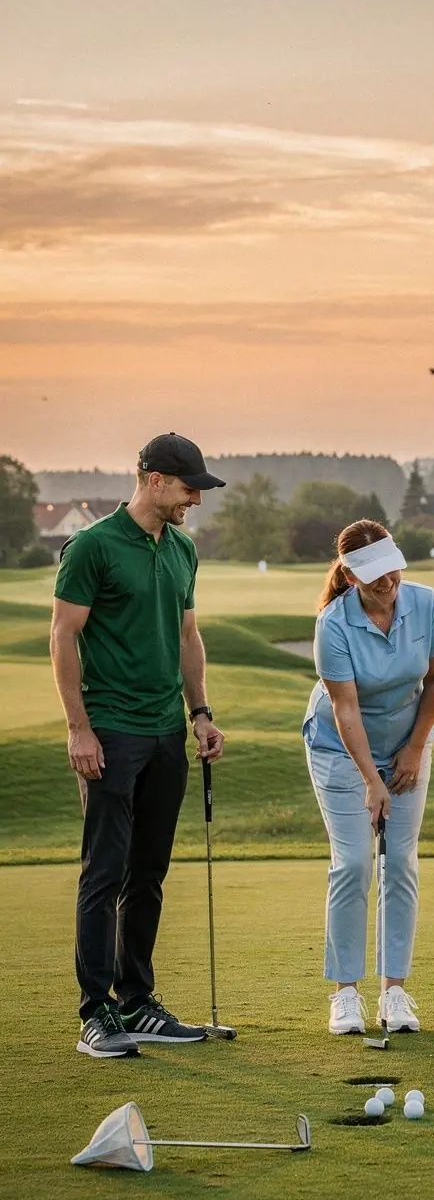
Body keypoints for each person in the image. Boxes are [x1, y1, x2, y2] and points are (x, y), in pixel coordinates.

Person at [50, 434, 226, 1059]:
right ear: (153, 480)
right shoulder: (92, 548)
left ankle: (136, 1000)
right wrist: (78, 726)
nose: (195, 499)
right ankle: (96, 1012)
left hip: (163, 733)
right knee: (105, 873)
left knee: (148, 874)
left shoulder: (181, 548)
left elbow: (187, 636)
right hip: (110, 729)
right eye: (188, 487)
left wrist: (199, 713)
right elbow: (64, 637)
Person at [303, 520, 434, 1036]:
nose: (384, 580)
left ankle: (395, 992)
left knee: (400, 863)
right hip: (340, 749)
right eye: (369, 573)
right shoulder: (334, 623)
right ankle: (345, 994)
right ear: (348, 574)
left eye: (388, 566)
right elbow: (345, 710)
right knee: (353, 863)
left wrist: (413, 750)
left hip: (406, 740)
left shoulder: (426, 603)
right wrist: (373, 779)